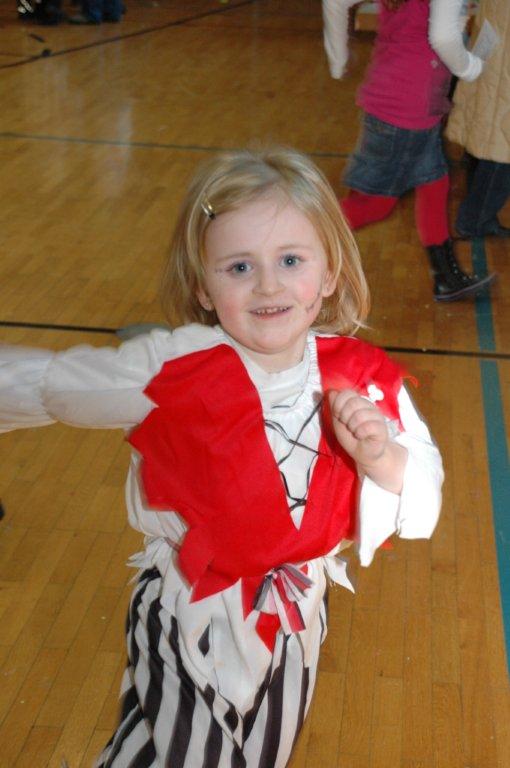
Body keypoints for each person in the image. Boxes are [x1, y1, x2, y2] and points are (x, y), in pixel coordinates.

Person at [0, 147, 444, 768]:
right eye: (239, 267)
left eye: (291, 260)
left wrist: (381, 456)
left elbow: (422, 491)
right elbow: (53, 386)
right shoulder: (172, 369)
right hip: (189, 608)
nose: (268, 285)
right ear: (203, 288)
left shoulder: (362, 377)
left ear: (330, 274)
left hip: (295, 616)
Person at [322, 0, 494, 302]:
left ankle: (446, 278)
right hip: (407, 111)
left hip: (403, 103)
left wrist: (339, 60)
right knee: (375, 205)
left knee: (435, 184)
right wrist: (472, 67)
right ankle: (295, 240)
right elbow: (442, 37)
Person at [444, 0, 510, 238]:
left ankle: (478, 216)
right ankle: (474, 220)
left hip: (490, 48)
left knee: (487, 140)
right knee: (501, 151)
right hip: (501, 63)